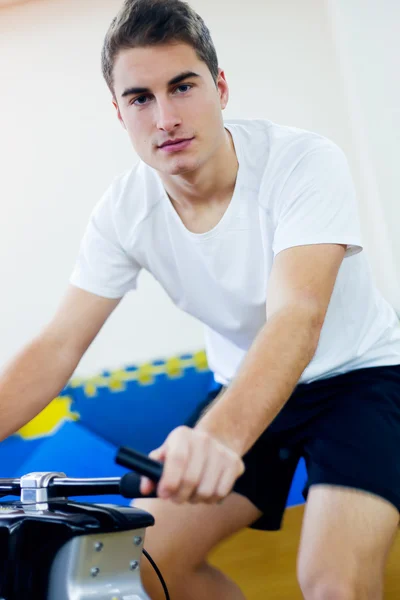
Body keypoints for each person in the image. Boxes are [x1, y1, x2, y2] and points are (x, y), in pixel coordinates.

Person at [1, 0, 400, 597]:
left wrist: (217, 440)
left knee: (331, 582)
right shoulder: (123, 211)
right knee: (143, 564)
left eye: (182, 86)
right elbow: (58, 346)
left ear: (220, 87)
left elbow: (297, 316)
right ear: (119, 112)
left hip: (359, 379)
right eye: (141, 98)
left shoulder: (302, 162)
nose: (165, 117)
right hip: (245, 385)